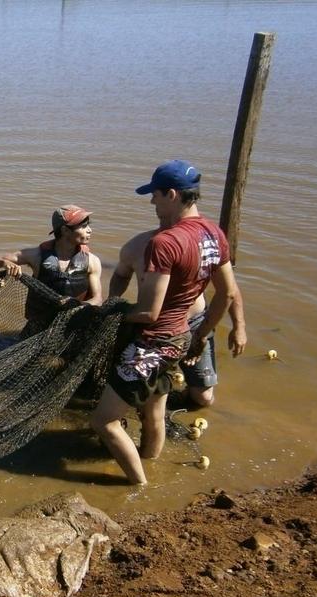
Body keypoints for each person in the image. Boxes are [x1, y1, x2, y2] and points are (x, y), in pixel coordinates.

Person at [91, 160, 241, 484]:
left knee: (103, 421)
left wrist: (108, 315)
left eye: (155, 195)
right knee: (154, 410)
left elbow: (149, 313)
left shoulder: (165, 242)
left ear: (171, 194)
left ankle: (138, 486)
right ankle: (151, 467)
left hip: (152, 344)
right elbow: (227, 294)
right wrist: (201, 335)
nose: (151, 202)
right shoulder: (214, 235)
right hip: (182, 337)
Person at [109, 231, 246, 407]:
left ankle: (181, 389)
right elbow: (121, 274)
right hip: (156, 328)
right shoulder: (136, 245)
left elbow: (229, 289)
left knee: (203, 399)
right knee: (133, 391)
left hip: (195, 324)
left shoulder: (203, 246)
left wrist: (239, 326)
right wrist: (112, 303)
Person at [0, 204, 103, 338]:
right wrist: (4, 263)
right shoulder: (37, 255)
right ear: (65, 230)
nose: (90, 230)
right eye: (83, 226)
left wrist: (77, 306)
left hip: (72, 328)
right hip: (38, 328)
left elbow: (97, 299)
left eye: (88, 225)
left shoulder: (92, 261)